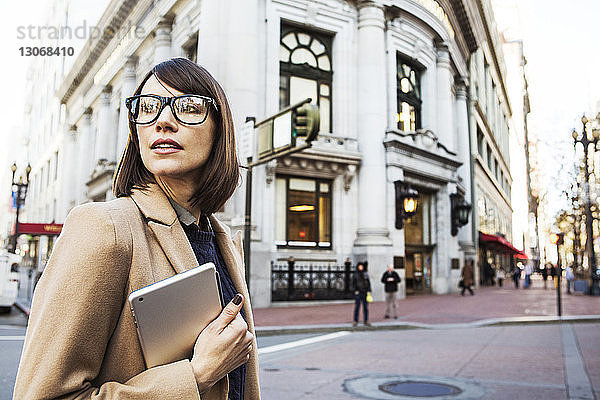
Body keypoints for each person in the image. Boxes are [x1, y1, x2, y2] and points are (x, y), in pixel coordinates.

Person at [14, 58, 260, 399]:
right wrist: (195, 376)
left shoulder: (224, 243)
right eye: (148, 107)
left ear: (221, 128)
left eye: (187, 106)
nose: (162, 121)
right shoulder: (104, 228)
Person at [352, 262, 371, 327]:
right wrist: (355, 291)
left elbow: (368, 283)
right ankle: (355, 320)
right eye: (360, 266)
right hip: (358, 292)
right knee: (357, 307)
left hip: (365, 292)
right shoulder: (355, 275)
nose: (361, 267)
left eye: (362, 266)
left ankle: (366, 320)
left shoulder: (365, 274)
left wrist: (369, 290)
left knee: (365, 307)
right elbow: (353, 283)